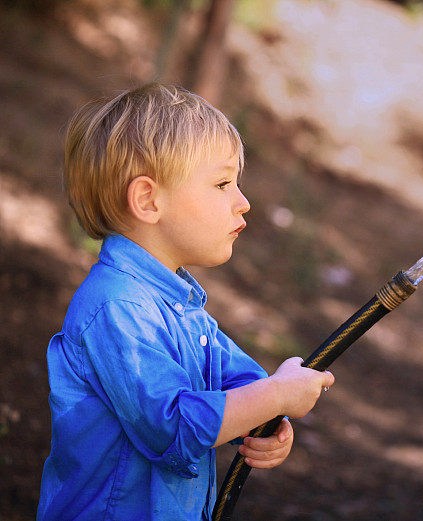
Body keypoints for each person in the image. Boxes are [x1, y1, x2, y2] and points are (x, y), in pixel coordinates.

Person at [36, 83, 335, 520]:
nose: (243, 202)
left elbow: (235, 382)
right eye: (222, 183)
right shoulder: (118, 307)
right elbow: (173, 427)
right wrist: (273, 396)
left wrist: (266, 419)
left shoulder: (178, 303)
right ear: (148, 200)